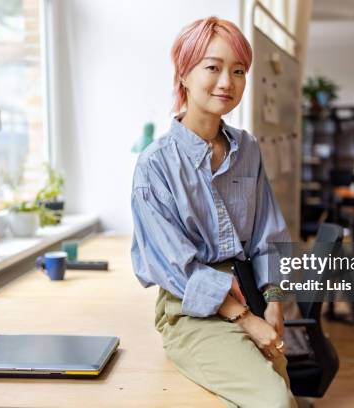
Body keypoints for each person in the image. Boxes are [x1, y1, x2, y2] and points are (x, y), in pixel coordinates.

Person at [131, 16, 298, 408]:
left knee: (282, 394)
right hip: (194, 309)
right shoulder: (155, 166)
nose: (227, 82)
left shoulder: (248, 149)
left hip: (253, 293)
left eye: (238, 71)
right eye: (213, 67)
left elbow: (268, 238)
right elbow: (177, 269)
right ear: (184, 75)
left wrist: (273, 303)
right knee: (273, 402)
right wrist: (246, 319)